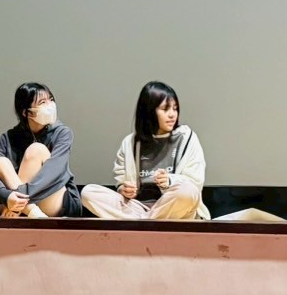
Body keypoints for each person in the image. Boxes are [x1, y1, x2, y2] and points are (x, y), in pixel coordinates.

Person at [80, 81, 210, 220]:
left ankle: (143, 222)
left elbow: (195, 182)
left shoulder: (187, 138)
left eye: (175, 109)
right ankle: (149, 221)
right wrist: (124, 189)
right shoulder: (130, 143)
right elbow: (121, 180)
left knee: (188, 191)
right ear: (149, 111)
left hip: (173, 206)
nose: (172, 114)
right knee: (88, 192)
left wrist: (170, 180)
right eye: (165, 109)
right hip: (137, 207)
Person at [0, 82, 82, 218]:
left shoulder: (62, 133)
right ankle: (32, 212)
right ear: (26, 112)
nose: (50, 105)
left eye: (51, 100)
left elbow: (55, 173)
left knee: (36, 150)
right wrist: (7, 196)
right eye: (42, 102)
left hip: (55, 200)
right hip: (17, 204)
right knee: (0, 162)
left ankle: (24, 208)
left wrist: (18, 198)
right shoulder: (8, 138)